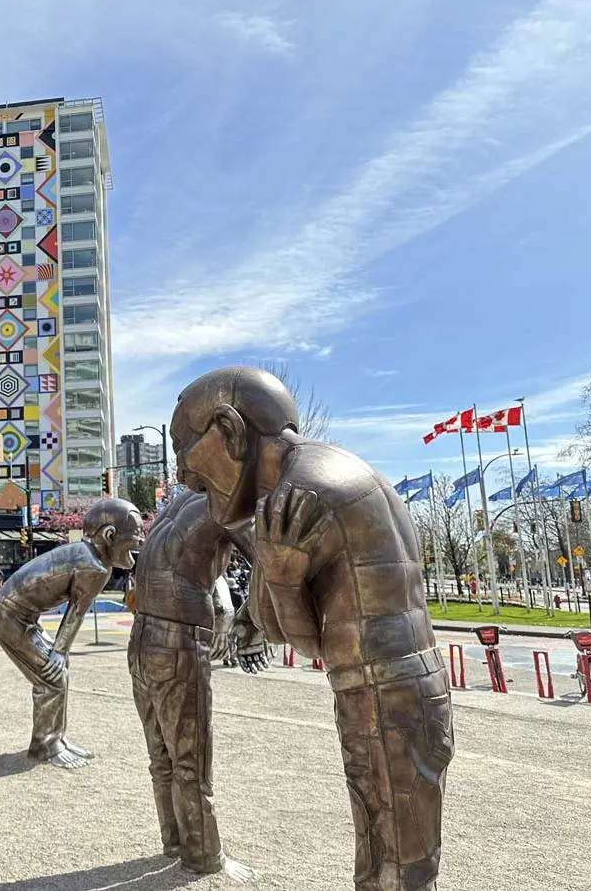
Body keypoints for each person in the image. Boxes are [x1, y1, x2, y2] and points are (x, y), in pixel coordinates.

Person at [171, 366, 453, 891]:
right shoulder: (338, 467)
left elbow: (296, 637)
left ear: (230, 432)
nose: (183, 477)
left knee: (393, 869)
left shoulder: (299, 496)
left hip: (382, 692)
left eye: (183, 448)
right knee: (397, 858)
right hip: (403, 685)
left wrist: (277, 576)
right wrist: (274, 586)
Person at [129, 489, 255, 881]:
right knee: (191, 759)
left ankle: (175, 841)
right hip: (179, 638)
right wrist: (253, 622)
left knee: (162, 757)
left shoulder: (173, 507)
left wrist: (231, 611)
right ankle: (203, 855)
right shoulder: (228, 503)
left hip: (141, 639)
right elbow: (273, 565)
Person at [0, 498, 144, 768]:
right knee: (52, 675)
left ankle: (55, 739)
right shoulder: (93, 566)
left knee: (58, 670)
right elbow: (76, 613)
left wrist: (61, 653)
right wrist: (58, 652)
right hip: (9, 617)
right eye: (133, 539)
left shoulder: (87, 556)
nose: (138, 545)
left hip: (20, 616)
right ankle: (45, 746)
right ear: (109, 536)